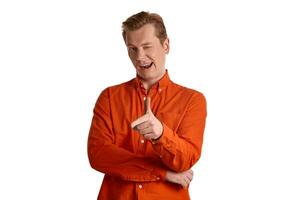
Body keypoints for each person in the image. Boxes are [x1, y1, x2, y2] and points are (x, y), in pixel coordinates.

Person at [88, 11, 207, 200]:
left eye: (146, 46)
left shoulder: (193, 100)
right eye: (132, 48)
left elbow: (185, 160)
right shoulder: (109, 97)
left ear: (166, 45)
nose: (139, 57)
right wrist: (162, 172)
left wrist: (161, 134)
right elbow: (98, 155)